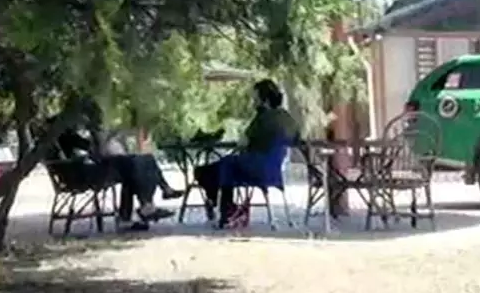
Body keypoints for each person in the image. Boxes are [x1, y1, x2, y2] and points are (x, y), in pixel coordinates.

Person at [48, 101, 183, 232]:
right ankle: (150, 201)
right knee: (135, 164)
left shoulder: (59, 134)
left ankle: (135, 213)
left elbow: (92, 151)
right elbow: (95, 151)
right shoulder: (65, 135)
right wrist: (98, 137)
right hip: (83, 175)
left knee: (135, 166)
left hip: (82, 171)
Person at [193, 79, 299, 229]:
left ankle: (226, 209)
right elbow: (297, 140)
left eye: (255, 99)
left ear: (264, 100)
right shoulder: (288, 119)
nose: (253, 103)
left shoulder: (262, 117)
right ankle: (226, 207)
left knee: (216, 167)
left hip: (254, 168)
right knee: (216, 169)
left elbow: (243, 142)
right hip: (274, 171)